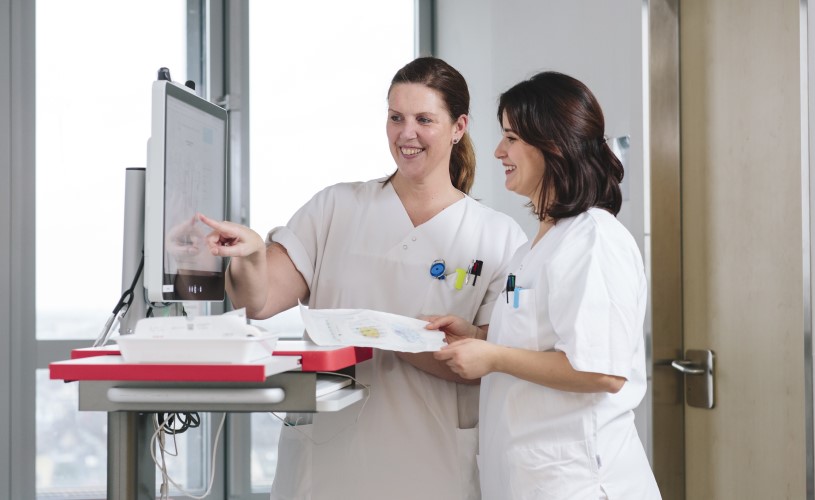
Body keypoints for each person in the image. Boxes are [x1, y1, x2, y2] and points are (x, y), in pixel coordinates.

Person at [199, 56, 527, 500]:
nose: (405, 133)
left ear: (458, 127)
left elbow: (490, 359)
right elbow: (260, 301)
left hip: (434, 464)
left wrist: (392, 337)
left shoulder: (497, 235)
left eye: (423, 120)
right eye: (396, 118)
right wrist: (253, 254)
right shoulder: (335, 207)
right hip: (329, 459)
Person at [429, 71, 662, 499]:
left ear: (553, 145)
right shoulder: (539, 244)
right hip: (533, 480)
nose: (499, 151)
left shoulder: (594, 238)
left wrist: (493, 356)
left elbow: (601, 370)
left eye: (511, 138)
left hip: (581, 482)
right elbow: (543, 341)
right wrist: (479, 336)